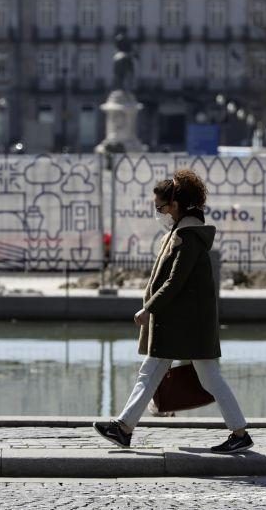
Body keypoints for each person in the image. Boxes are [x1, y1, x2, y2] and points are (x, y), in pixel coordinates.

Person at [94, 169, 253, 453]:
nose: (158, 212)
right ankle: (124, 428)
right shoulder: (182, 232)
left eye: (160, 207)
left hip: (183, 324)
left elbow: (174, 281)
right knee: (168, 372)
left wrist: (148, 309)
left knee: (201, 376)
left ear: (175, 206)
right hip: (183, 323)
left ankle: (239, 432)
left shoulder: (187, 237)